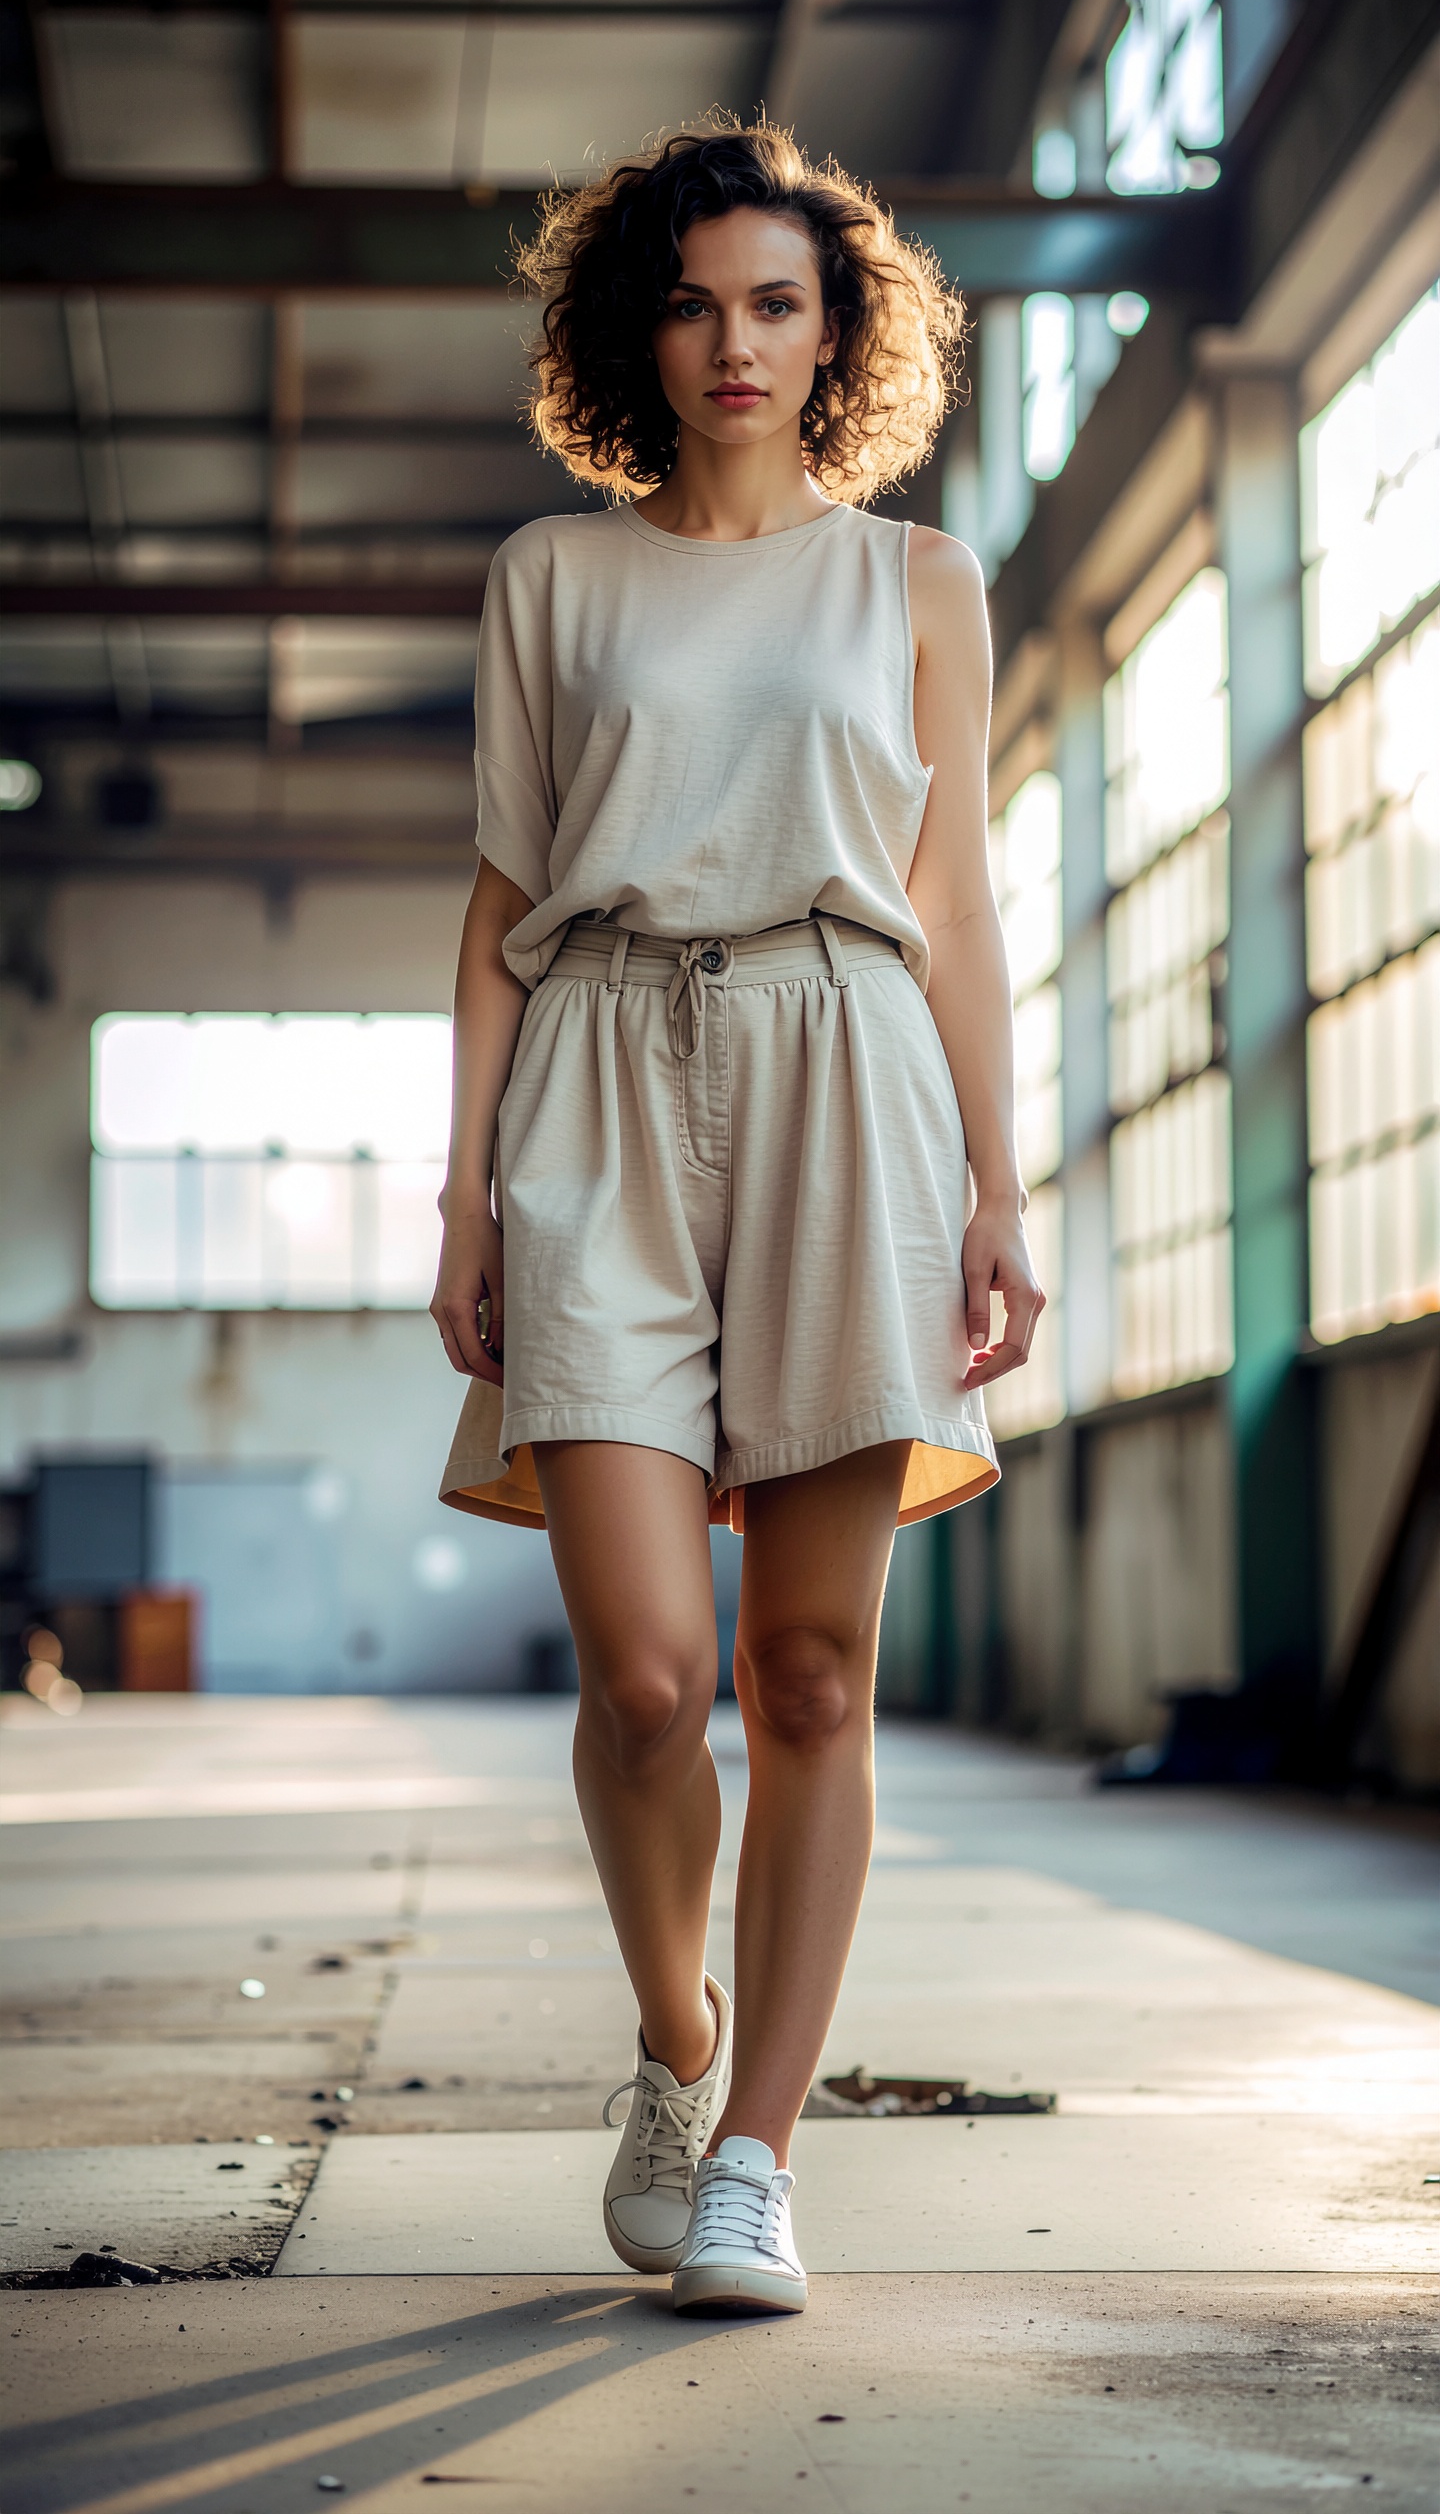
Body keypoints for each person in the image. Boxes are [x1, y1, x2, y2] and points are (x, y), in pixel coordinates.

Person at [431, 120, 1043, 2316]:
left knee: (805, 1665)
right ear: (637, 328)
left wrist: (999, 1175)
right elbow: (503, 904)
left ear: (838, 328)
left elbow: (955, 902)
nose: (734, 341)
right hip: (595, 1077)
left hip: (846, 1069)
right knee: (643, 1670)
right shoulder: (554, 579)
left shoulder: (919, 585)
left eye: (777, 299)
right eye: (692, 300)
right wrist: (465, 1181)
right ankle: (676, 2041)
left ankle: (763, 2157)